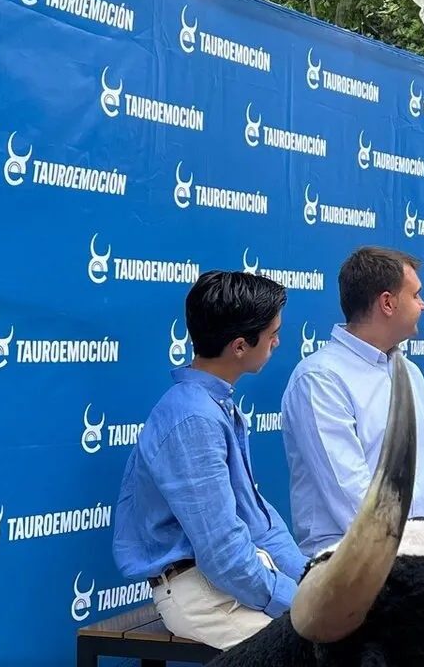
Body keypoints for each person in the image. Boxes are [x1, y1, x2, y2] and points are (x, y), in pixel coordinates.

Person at [112, 271, 308, 650]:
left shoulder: (213, 406)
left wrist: (312, 578)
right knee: (312, 650)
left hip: (226, 582)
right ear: (239, 346)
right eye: (272, 335)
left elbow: (256, 521)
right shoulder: (193, 419)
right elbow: (224, 555)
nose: (277, 342)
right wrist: (299, 602)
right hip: (202, 594)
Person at [280, 246, 424, 557]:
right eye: (416, 295)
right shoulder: (320, 379)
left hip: (421, 561)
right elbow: (355, 501)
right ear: (387, 303)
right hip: (348, 569)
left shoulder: (410, 373)